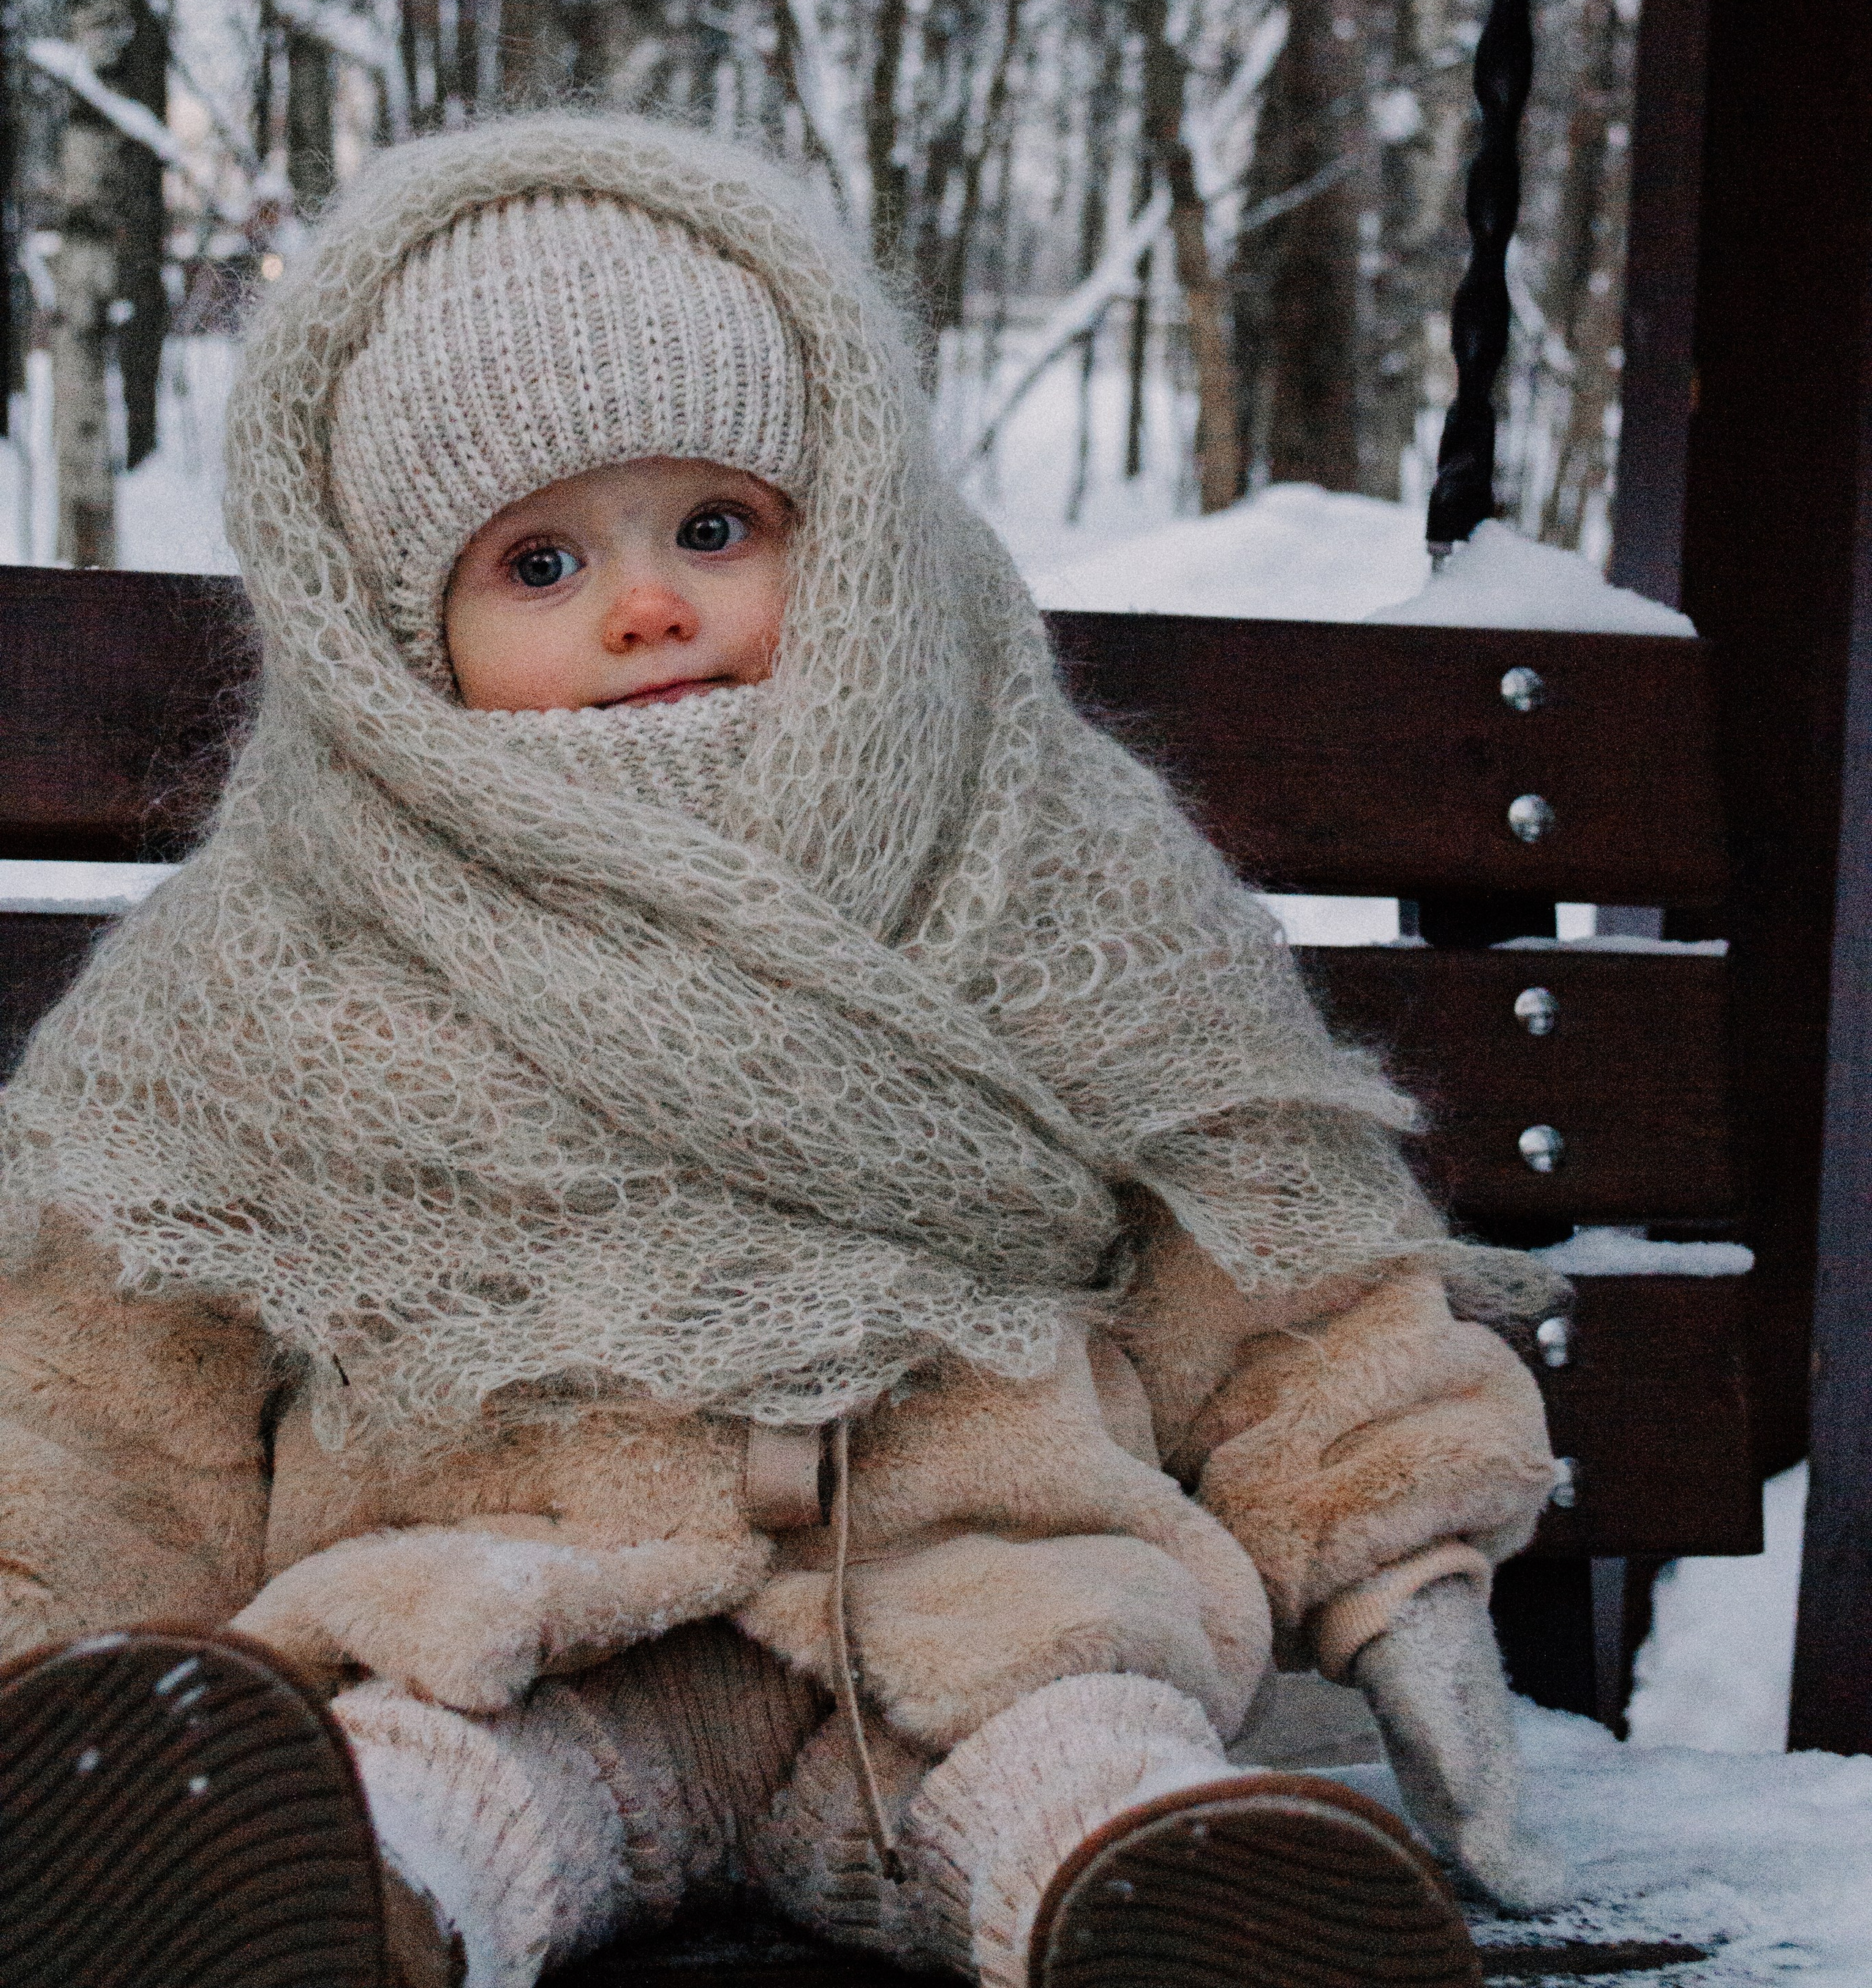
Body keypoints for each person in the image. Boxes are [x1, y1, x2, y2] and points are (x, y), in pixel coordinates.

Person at [0, 115, 1563, 1988]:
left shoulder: (1031, 841)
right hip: (516, 1602)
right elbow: (101, 1373)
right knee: (404, 1767)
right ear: (391, 632)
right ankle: (345, 1904)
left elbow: (1269, 1250)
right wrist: (44, 1639)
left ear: (847, 524)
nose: (646, 605)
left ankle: (1164, 1898)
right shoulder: (290, 939)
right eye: (542, 561)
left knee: (1080, 1749)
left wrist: (1399, 1562)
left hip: (979, 1600)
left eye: (716, 529)